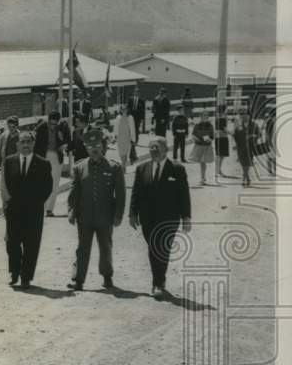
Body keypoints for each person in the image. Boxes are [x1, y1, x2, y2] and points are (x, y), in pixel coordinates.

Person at [130, 137, 191, 297]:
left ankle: (158, 282)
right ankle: (159, 280)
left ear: (166, 150)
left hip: (169, 218)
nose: (153, 151)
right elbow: (136, 192)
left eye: (156, 147)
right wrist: (132, 213)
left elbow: (184, 194)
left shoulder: (177, 169)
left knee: (162, 249)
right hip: (147, 217)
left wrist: (186, 217)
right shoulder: (142, 168)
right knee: (152, 247)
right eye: (151, 148)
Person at [66, 129, 126, 290]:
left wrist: (118, 215)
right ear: (86, 148)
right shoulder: (79, 168)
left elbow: (120, 194)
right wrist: (71, 211)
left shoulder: (114, 168)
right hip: (84, 216)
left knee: (105, 246)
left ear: (103, 147)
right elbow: (74, 193)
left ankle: (107, 276)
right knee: (82, 247)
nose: (94, 149)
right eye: (90, 145)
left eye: (97, 145)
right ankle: (78, 279)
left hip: (105, 216)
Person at [0, 132, 53, 288]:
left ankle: (26, 276)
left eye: (28, 141)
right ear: (17, 144)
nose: (25, 145)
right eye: (22, 142)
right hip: (14, 210)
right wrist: (7, 202)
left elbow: (47, 187)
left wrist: (36, 202)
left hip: (33, 210)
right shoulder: (9, 162)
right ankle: (14, 272)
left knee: (31, 244)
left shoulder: (43, 164)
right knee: (12, 243)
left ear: (33, 143)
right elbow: (5, 184)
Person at [34, 111, 71, 216]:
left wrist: (62, 139)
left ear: (58, 122)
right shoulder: (41, 127)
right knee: (42, 183)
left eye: (55, 124)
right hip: (43, 156)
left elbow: (68, 141)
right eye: (51, 123)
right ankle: (40, 207)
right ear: (48, 120)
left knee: (54, 183)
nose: (52, 126)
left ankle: (49, 209)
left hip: (56, 156)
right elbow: (36, 144)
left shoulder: (63, 127)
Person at [233, 113, 261, 187]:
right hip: (241, 147)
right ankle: (246, 178)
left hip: (250, 147)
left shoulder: (254, 125)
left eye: (247, 116)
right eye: (243, 116)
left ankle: (245, 178)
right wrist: (236, 145)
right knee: (242, 163)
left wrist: (253, 136)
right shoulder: (238, 126)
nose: (245, 117)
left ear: (249, 116)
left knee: (248, 163)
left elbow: (259, 134)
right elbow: (235, 136)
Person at [189, 112, 215, 185]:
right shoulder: (197, 125)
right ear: (200, 117)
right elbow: (193, 135)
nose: (205, 117)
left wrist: (210, 139)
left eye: (206, 116)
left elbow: (212, 136)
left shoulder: (210, 126)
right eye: (203, 116)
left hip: (207, 146)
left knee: (203, 162)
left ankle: (203, 178)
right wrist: (196, 139)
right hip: (199, 146)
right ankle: (202, 178)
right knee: (201, 162)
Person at [115, 101, 137, 172]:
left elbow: (133, 129)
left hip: (127, 137)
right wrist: (115, 136)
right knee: (121, 153)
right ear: (120, 110)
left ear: (128, 110)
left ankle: (123, 166)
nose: (124, 110)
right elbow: (115, 128)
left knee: (126, 152)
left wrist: (133, 139)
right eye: (122, 109)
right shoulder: (118, 117)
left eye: (125, 109)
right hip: (120, 137)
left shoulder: (130, 117)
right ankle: (123, 165)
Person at [214, 113, 230, 179]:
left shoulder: (217, 119)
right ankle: (218, 170)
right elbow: (224, 129)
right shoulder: (222, 119)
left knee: (220, 155)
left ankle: (218, 170)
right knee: (221, 155)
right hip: (222, 138)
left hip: (218, 138)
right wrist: (232, 133)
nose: (227, 115)